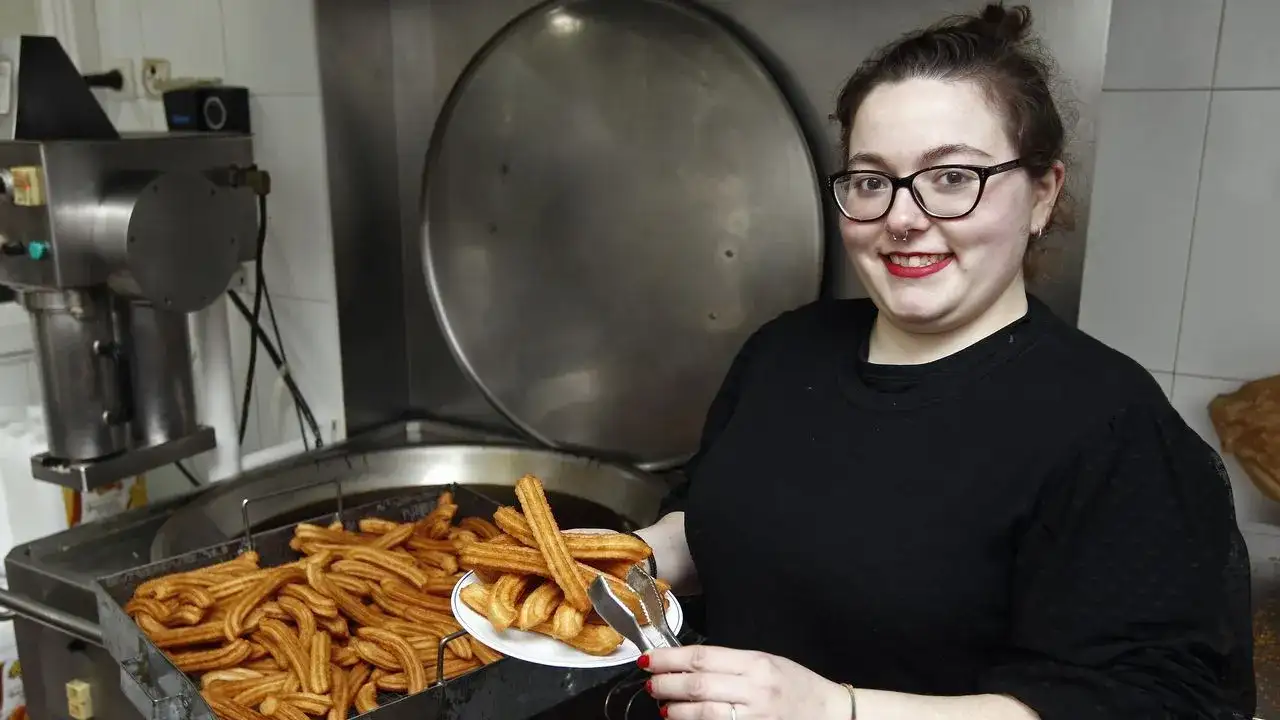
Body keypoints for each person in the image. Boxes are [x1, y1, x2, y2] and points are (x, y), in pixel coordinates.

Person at [633, 4, 1255, 719]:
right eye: (871, 180)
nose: (902, 216)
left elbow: (1144, 702)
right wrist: (633, 558)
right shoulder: (784, 351)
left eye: (952, 176)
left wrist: (840, 711)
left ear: (1042, 195)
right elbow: (723, 524)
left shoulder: (1110, 426)